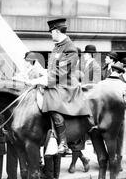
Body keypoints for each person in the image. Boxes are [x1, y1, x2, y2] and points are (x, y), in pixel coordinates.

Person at [37, 18, 92, 154]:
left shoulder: (70, 48)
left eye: (51, 32)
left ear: (56, 31)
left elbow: (62, 72)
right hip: (56, 81)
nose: (51, 35)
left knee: (53, 103)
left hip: (66, 85)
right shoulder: (58, 46)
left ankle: (63, 142)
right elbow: (53, 69)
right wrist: (41, 75)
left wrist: (45, 80)